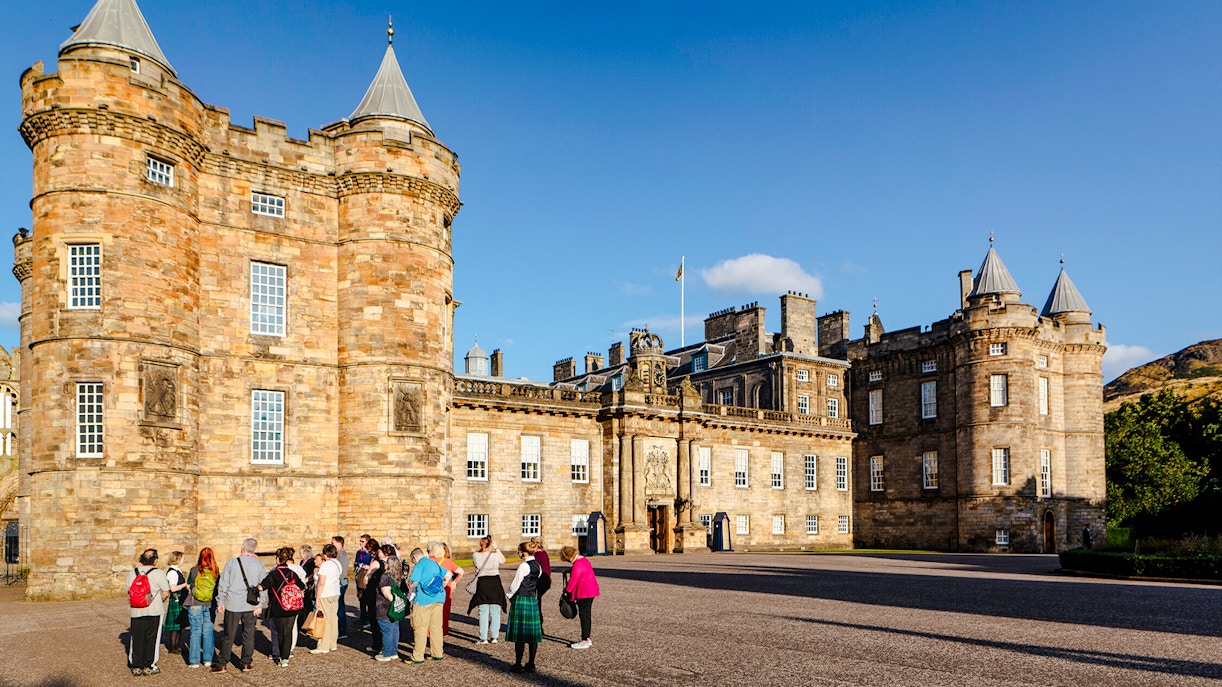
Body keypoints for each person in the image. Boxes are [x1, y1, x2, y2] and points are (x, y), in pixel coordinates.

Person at [211, 538, 267, 673]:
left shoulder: (232, 563)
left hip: (233, 603)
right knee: (249, 635)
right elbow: (263, 586)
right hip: (251, 604)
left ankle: (222, 663)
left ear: (242, 547)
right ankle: (246, 662)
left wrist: (220, 601)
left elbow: (223, 584)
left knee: (228, 635)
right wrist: (260, 604)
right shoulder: (259, 565)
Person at [258, 547, 306, 668]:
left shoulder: (274, 574)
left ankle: (280, 655)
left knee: (280, 633)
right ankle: (285, 658)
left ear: (278, 560)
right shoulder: (292, 573)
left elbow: (262, 587)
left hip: (278, 606)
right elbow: (302, 585)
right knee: (288, 632)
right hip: (293, 607)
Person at [126, 548, 171, 676]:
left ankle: (136, 665)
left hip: (136, 610)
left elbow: (129, 591)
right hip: (154, 610)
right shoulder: (159, 573)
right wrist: (158, 601)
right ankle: (149, 665)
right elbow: (166, 592)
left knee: (137, 638)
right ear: (155, 560)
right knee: (152, 638)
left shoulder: (132, 573)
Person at [406, 544, 451, 664]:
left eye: (412, 560)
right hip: (439, 598)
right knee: (436, 627)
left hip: (423, 600)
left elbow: (413, 584)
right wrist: (441, 585)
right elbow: (448, 574)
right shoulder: (433, 563)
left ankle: (417, 656)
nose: (413, 563)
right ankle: (437, 653)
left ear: (414, 558)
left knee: (420, 627)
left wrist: (408, 586)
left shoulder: (419, 565)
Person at [506, 541, 543, 673]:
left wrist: (509, 595)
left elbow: (515, 584)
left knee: (520, 634)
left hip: (521, 599)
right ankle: (531, 663)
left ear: (522, 552)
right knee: (532, 634)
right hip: (532, 599)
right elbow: (537, 580)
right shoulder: (538, 566)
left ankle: (518, 664)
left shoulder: (523, 566)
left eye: (519, 551)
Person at [467, 536, 508, 644]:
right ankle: (494, 637)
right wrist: (496, 548)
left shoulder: (475, 555)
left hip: (482, 582)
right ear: (490, 544)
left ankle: (483, 638)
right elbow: (503, 561)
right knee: (495, 611)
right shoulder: (495, 555)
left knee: (483, 611)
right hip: (495, 582)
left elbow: (476, 566)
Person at [184, 547, 220, 668]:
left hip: (195, 603)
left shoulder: (194, 570)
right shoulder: (216, 571)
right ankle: (208, 660)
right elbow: (217, 589)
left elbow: (189, 584)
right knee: (208, 632)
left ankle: (194, 661)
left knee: (195, 631)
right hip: (210, 604)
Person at [559, 546, 600, 649]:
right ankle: (587, 638)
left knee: (584, 616)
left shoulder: (577, 564)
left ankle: (585, 639)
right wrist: (568, 570)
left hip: (584, 592)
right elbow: (580, 571)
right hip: (590, 590)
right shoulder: (583, 560)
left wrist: (566, 591)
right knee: (586, 615)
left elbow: (574, 580)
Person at [310, 543, 343, 654]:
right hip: (335, 592)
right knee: (333, 618)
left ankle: (323, 645)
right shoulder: (337, 563)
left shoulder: (325, 565)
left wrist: (317, 598)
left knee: (323, 619)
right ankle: (332, 643)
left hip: (325, 593)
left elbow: (321, 583)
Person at [374, 548, 405, 661]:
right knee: (394, 629)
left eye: (387, 562)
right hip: (395, 609)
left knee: (387, 630)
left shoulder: (385, 577)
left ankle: (387, 653)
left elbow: (386, 593)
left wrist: (394, 601)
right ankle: (393, 651)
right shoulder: (398, 576)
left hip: (385, 607)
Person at [431, 542, 463, 636]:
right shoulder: (447, 561)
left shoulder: (428, 560)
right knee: (444, 610)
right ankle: (443, 630)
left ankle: (430, 632)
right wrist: (454, 582)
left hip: (431, 588)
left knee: (431, 610)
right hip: (445, 588)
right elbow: (461, 571)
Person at [162, 551, 189, 657]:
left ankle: (177, 646)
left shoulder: (177, 571)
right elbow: (172, 588)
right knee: (174, 626)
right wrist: (185, 584)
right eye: (182, 558)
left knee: (179, 625)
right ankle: (173, 647)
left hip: (179, 599)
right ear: (177, 559)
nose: (184, 560)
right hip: (176, 599)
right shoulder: (172, 572)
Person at [530, 536, 552, 630]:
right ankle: (538, 625)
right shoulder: (544, 553)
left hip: (539, 581)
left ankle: (538, 626)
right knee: (537, 602)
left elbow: (533, 570)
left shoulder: (536, 555)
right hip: (546, 580)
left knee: (535, 603)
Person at [332, 535, 351, 639]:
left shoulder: (342, 555)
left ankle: (342, 631)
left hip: (340, 583)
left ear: (339, 543)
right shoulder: (338, 554)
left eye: (333, 542)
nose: (332, 544)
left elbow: (342, 572)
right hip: (338, 583)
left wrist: (337, 583)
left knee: (340, 607)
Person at [355, 534, 374, 629]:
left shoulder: (370, 553)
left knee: (368, 598)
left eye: (362, 541)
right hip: (359, 575)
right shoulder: (359, 552)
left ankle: (369, 619)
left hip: (366, 576)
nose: (360, 543)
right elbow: (356, 562)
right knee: (360, 597)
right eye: (360, 541)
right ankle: (362, 617)